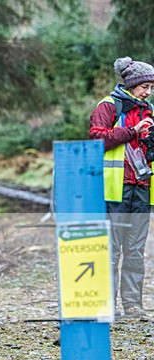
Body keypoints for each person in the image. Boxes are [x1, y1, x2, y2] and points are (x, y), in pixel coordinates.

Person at [89, 57, 154, 318]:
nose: (148, 92)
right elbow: (95, 138)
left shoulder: (149, 110)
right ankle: (107, 305)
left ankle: (133, 305)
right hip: (115, 189)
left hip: (143, 187)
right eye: (145, 86)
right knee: (112, 249)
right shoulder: (109, 106)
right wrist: (131, 130)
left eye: (151, 87)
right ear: (131, 84)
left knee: (136, 250)